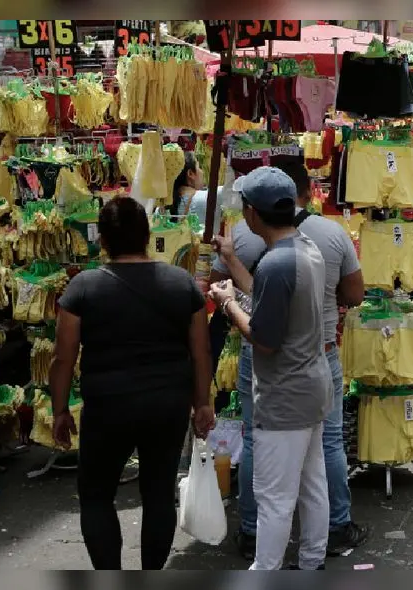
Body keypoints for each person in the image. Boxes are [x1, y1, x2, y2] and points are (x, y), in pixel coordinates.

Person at [211, 164, 368, 560]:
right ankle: (312, 561)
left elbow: (264, 339)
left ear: (252, 213)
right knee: (312, 484)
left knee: (275, 498)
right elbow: (271, 298)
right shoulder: (304, 247)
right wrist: (235, 273)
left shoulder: (276, 262)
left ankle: (265, 570)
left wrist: (228, 304)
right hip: (313, 383)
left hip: (285, 395)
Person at [50, 197, 215, 570]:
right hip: (167, 405)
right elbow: (201, 351)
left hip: (108, 406)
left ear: (103, 240)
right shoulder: (181, 284)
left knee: (96, 496)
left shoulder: (83, 287)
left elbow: (63, 358)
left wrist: (59, 409)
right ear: (147, 235)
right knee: (158, 495)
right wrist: (202, 402)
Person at [173, 153, 222, 234]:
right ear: (190, 174)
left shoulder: (161, 209)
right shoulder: (210, 197)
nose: (202, 172)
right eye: (199, 167)